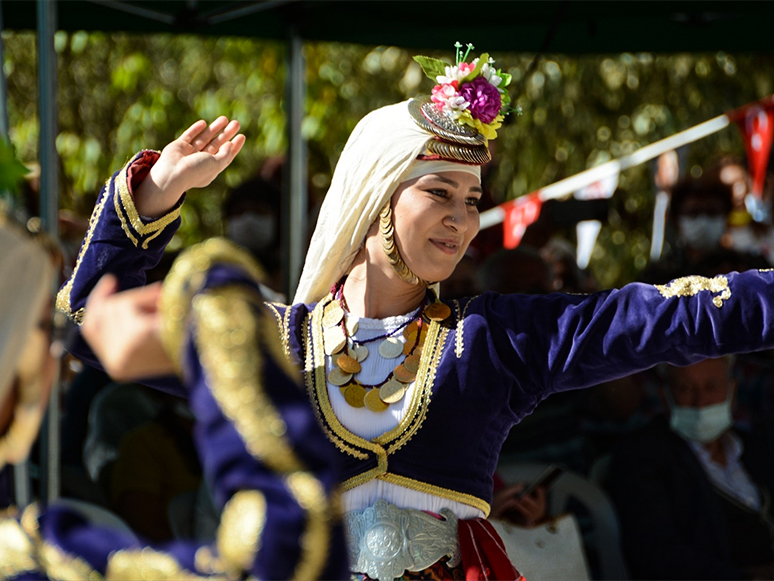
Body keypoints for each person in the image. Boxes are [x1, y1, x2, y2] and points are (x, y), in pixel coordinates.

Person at [57, 47, 774, 580]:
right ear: (376, 196)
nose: (462, 220)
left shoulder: (492, 341)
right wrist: (155, 193)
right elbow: (92, 321)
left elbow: (671, 317)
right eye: (439, 192)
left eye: (472, 201)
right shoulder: (271, 342)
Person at [0, 215, 348, 578]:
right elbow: (290, 554)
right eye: (43, 329)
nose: (52, 363)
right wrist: (215, 313)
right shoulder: (39, 563)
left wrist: (146, 205)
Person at [607, 357, 774, 580]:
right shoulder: (643, 457)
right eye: (685, 389)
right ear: (665, 397)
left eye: (711, 387)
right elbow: (656, 553)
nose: (700, 401)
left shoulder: (754, 446)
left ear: (732, 391)